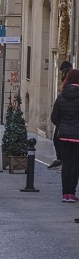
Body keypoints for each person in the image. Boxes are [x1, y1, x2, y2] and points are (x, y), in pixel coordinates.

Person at [50, 69, 79, 202]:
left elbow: (54, 117)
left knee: (66, 163)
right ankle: (71, 193)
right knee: (75, 164)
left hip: (63, 135)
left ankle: (65, 194)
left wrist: (62, 125)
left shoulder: (61, 96)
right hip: (77, 136)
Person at [48, 61, 73, 169]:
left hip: (65, 120)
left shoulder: (68, 80)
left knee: (58, 139)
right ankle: (62, 159)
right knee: (57, 139)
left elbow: (55, 113)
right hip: (66, 120)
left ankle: (62, 159)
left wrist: (58, 121)